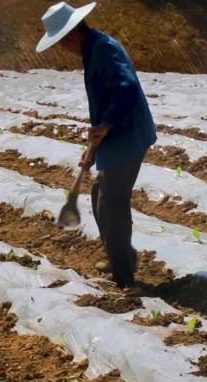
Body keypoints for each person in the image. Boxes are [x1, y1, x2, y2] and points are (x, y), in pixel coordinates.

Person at [36, 2, 157, 289]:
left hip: (128, 135)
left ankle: (124, 279)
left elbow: (126, 89)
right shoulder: (92, 50)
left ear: (71, 35)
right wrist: (94, 147)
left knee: (111, 204)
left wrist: (105, 126)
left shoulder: (104, 49)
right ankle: (121, 257)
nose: (63, 50)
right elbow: (106, 98)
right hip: (114, 137)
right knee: (97, 193)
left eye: (61, 43)